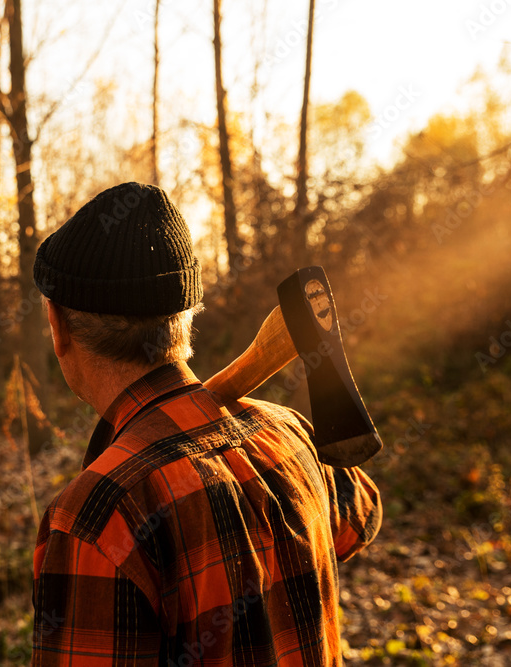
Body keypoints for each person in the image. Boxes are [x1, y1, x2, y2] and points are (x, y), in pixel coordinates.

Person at [31, 182, 381, 666]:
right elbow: (361, 518)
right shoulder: (290, 436)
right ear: (185, 318)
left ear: (57, 325)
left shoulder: (95, 520)